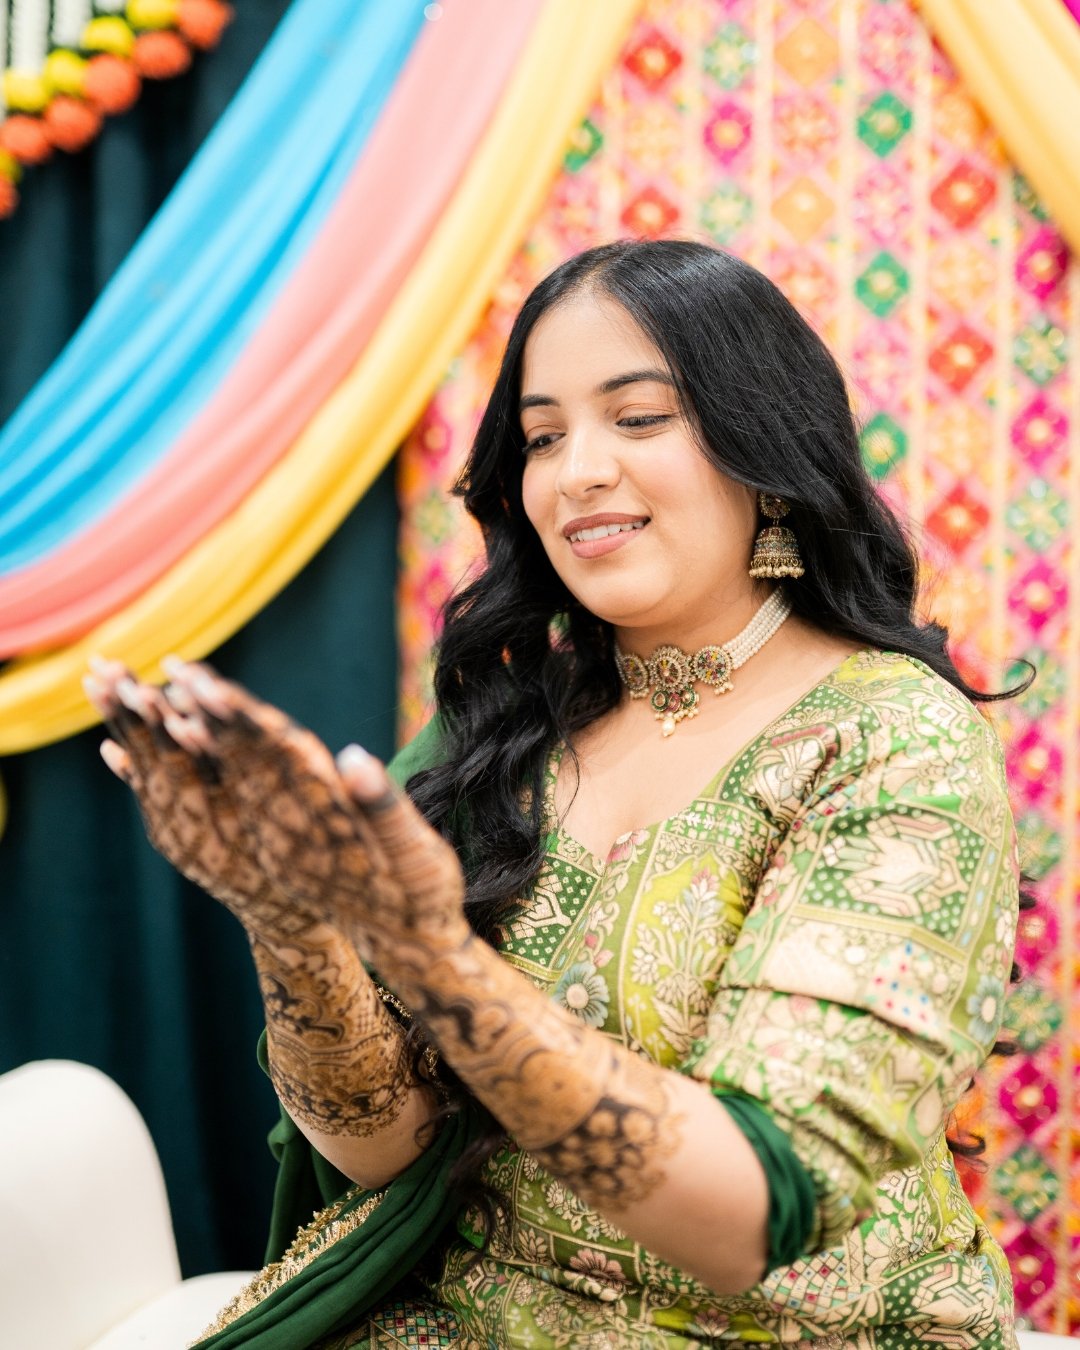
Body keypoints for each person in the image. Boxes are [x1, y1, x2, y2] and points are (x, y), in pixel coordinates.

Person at [85, 241, 1021, 1349]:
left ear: (765, 447)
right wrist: (288, 919)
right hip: (461, 1318)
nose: (575, 470)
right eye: (541, 436)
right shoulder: (502, 732)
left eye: (638, 418)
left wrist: (437, 960)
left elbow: (755, 1216)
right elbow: (388, 1151)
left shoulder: (893, 740)